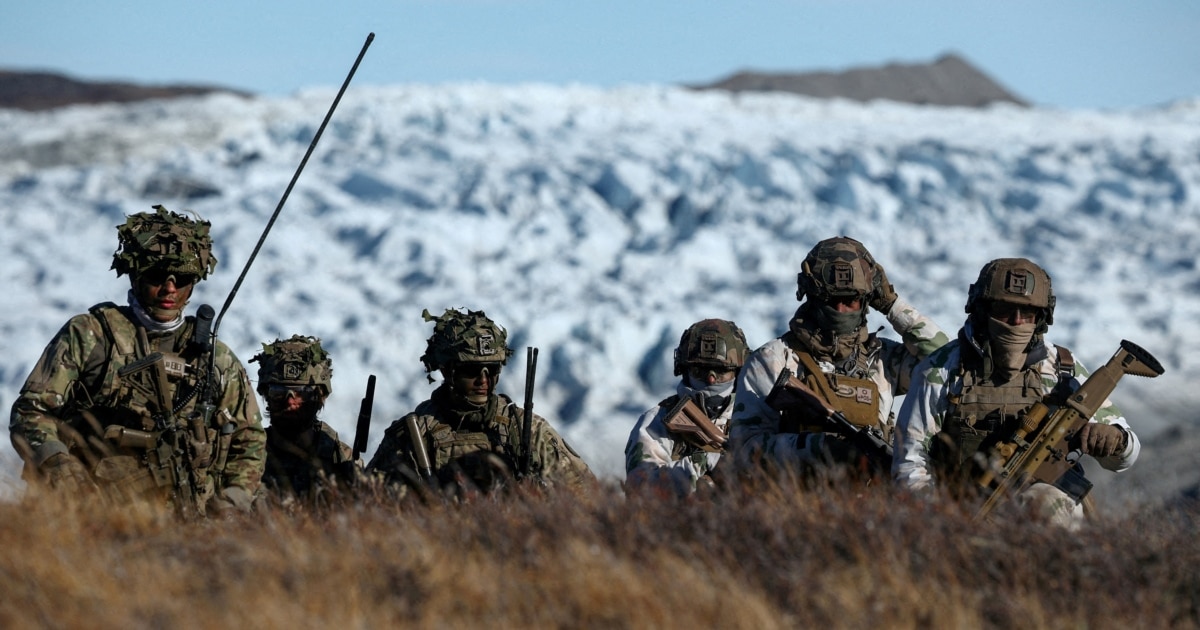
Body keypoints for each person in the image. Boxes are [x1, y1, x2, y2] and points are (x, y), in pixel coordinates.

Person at [9, 205, 265, 516]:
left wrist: (231, 501)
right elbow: (31, 411)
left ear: (194, 283)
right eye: (157, 275)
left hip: (190, 523)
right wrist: (61, 467)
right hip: (88, 516)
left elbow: (248, 439)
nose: (169, 288)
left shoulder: (215, 359)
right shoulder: (92, 335)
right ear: (135, 274)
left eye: (181, 277)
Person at [893, 258, 1139, 527]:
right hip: (964, 512)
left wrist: (1116, 440)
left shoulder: (1061, 370)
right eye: (1004, 310)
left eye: (1028, 313)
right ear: (982, 310)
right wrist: (937, 521)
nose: (1016, 321)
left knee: (1047, 503)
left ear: (1042, 318)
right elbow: (910, 462)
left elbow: (1125, 457)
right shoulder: (942, 370)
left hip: (1047, 515)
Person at [727, 236, 949, 480]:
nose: (841, 310)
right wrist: (816, 447)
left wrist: (891, 304)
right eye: (831, 301)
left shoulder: (884, 359)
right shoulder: (774, 360)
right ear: (811, 297)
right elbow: (744, 450)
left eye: (850, 300)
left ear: (866, 301)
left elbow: (942, 359)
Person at [367, 308, 594, 497]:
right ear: (448, 371)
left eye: (492, 369)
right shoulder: (413, 435)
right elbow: (372, 503)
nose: (483, 380)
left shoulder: (527, 430)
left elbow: (587, 494)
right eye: (471, 370)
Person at [624, 319, 749, 496]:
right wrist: (703, 462)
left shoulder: (756, 415)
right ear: (684, 369)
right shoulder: (656, 422)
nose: (711, 379)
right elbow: (640, 490)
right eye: (700, 370)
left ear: (738, 371)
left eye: (721, 371)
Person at [251, 334, 362, 506]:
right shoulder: (247, 454)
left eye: (301, 393)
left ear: (320, 396)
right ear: (266, 395)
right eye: (278, 393)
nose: (290, 401)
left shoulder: (340, 457)